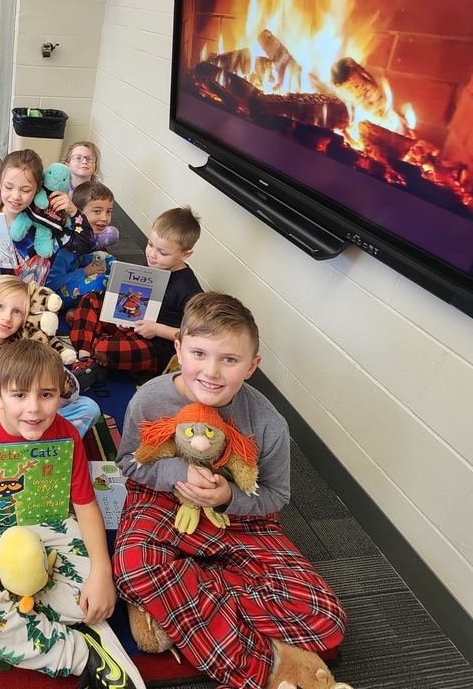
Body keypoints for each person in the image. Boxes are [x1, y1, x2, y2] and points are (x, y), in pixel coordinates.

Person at [113, 293, 349, 689]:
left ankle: (177, 596)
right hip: (161, 502)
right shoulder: (150, 399)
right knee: (133, 564)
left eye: (229, 360)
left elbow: (276, 496)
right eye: (199, 353)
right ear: (179, 348)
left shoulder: (269, 423)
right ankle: (268, 669)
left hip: (239, 518)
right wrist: (176, 472)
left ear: (252, 367)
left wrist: (227, 497)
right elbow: (129, 463)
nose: (211, 371)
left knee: (326, 616)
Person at [0, 340, 144, 689]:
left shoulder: (65, 435)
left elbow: (86, 506)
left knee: (97, 599)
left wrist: (102, 572)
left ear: (60, 395)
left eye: (46, 395)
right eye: (19, 396)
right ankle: (85, 656)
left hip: (50, 524)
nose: (34, 409)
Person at [0, 274, 99, 441]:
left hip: (36, 411)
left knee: (90, 408)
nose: (6, 317)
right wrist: (14, 411)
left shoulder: (31, 342)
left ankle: (31, 445)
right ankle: (32, 443)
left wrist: (55, 371)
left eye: (17, 311)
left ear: (26, 317)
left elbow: (72, 393)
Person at [69, 206, 203, 390]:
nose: (152, 255)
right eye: (150, 244)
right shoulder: (154, 265)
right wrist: (125, 320)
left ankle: (93, 340)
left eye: (163, 253)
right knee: (90, 299)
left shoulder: (189, 291)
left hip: (157, 347)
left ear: (185, 254)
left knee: (104, 347)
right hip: (136, 327)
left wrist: (157, 329)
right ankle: (85, 359)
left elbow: (195, 336)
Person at [0, 149, 94, 288]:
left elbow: (86, 245)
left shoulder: (47, 224)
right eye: (9, 187)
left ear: (38, 188)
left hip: (36, 303)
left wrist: (75, 212)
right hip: (0, 303)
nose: (16, 196)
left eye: (25, 190)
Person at [46, 182, 118, 308]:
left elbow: (81, 256)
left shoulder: (83, 235)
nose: (105, 218)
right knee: (99, 282)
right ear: (79, 214)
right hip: (55, 295)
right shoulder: (63, 249)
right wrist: (84, 272)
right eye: (97, 211)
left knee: (109, 260)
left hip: (74, 269)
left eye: (108, 212)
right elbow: (52, 283)